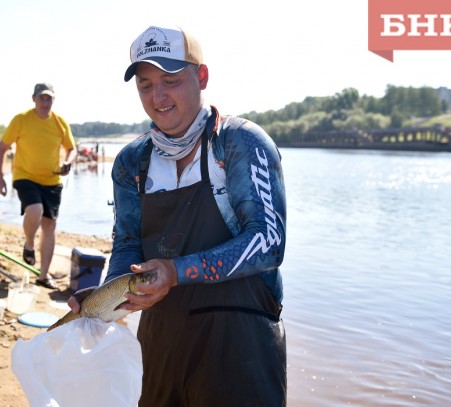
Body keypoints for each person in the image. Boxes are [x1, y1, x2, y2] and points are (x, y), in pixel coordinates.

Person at [68, 26, 287, 406]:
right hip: (161, 340)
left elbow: (269, 242)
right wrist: (104, 301)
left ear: (201, 77)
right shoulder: (131, 161)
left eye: (171, 80)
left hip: (241, 343)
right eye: (146, 85)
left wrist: (174, 271)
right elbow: (128, 244)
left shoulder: (238, 143)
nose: (158, 97)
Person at [0, 83, 76, 290]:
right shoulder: (22, 120)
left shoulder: (60, 123)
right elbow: (2, 147)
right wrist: (0, 177)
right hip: (25, 176)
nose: (45, 102)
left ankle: (43, 275)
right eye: (42, 98)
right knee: (35, 210)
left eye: (49, 98)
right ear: (34, 98)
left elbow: (71, 149)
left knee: (49, 226)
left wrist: (68, 162)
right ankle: (29, 243)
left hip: (52, 181)